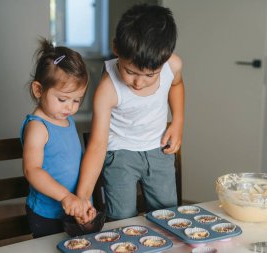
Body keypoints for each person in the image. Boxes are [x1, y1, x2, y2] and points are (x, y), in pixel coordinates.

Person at [75, 4, 185, 222]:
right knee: (122, 219)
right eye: (130, 71)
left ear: (164, 59)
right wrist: (83, 196)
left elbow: (176, 85)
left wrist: (178, 121)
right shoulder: (107, 90)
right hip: (120, 155)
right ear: (116, 48)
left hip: (158, 149)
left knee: (168, 215)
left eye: (149, 75)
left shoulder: (172, 65)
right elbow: (97, 145)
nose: (138, 82)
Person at [20, 38, 94, 238]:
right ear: (38, 90)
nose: (70, 107)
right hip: (46, 214)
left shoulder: (67, 119)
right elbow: (31, 169)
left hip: (72, 207)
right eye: (62, 99)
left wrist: (81, 201)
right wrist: (65, 197)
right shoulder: (38, 127)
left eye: (77, 100)